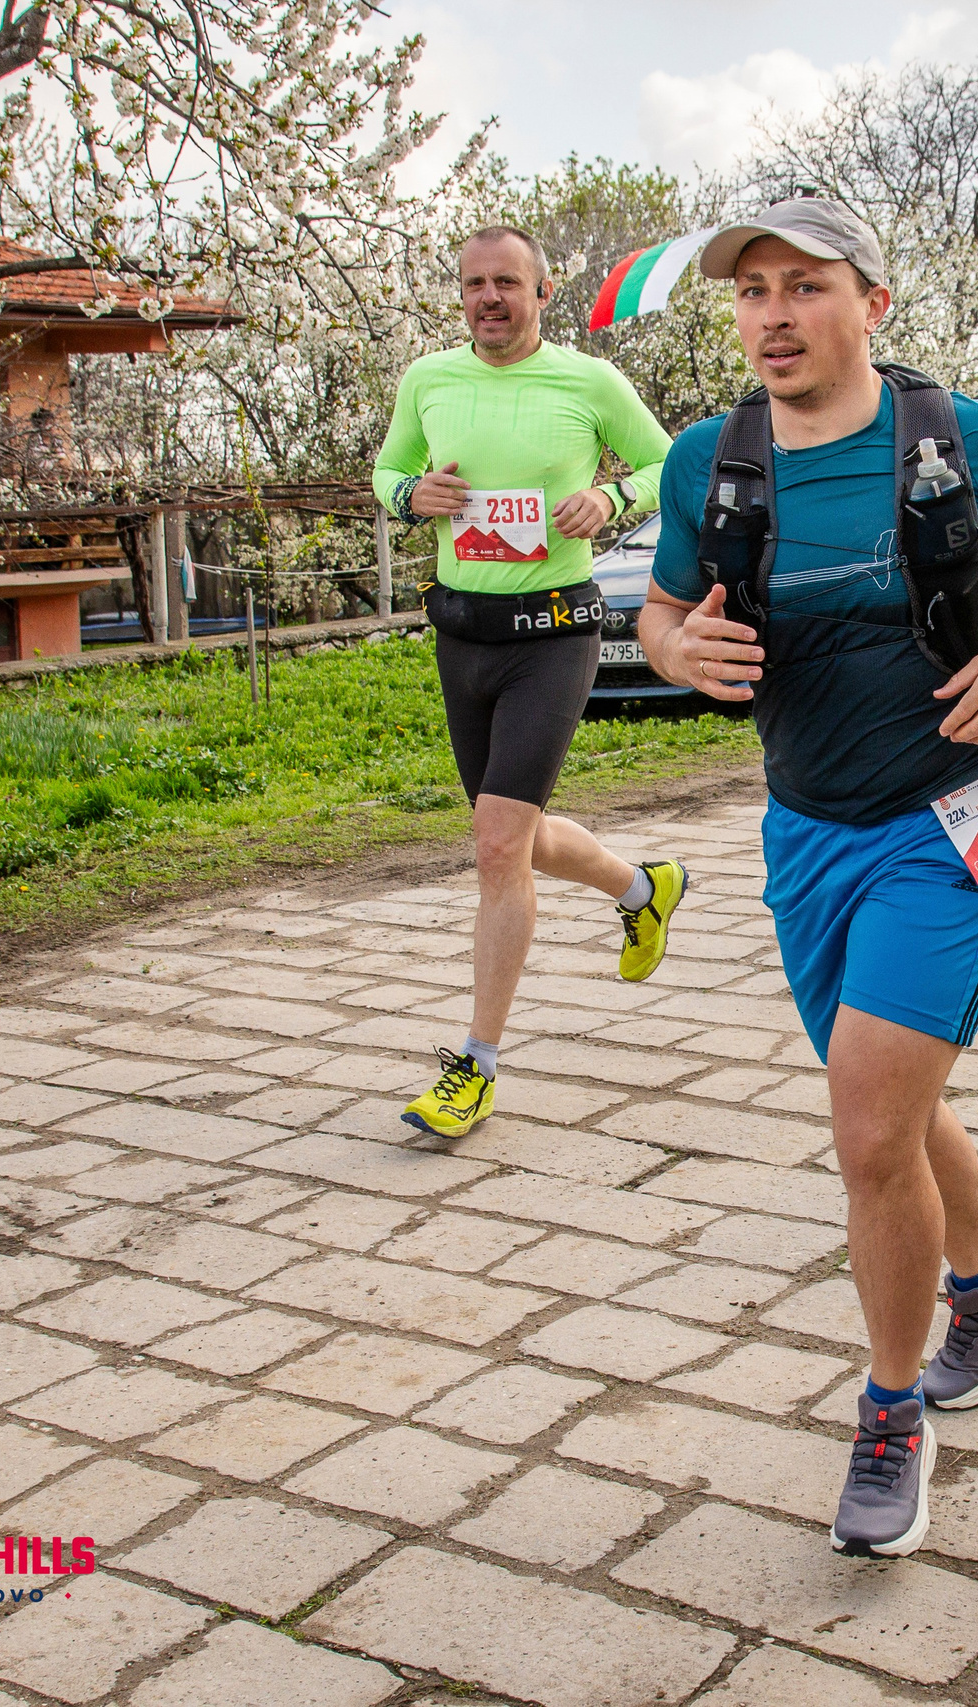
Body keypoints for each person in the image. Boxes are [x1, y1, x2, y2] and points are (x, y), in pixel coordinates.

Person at [638, 196, 978, 1559]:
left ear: (873, 303)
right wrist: (676, 650)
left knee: (866, 1128)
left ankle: (890, 1411)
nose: (773, 314)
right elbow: (663, 608)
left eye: (805, 286)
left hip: (965, 818)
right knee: (894, 1113)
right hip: (807, 828)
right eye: (752, 291)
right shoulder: (707, 462)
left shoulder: (972, 441)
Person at [374, 226, 687, 1140]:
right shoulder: (429, 379)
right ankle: (643, 888)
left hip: (553, 632)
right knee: (515, 833)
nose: (489, 298)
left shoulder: (588, 382)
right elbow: (387, 471)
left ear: (542, 293)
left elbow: (672, 465)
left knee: (496, 842)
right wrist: (409, 497)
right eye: (475, 283)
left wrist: (612, 498)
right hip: (462, 632)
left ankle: (474, 1067)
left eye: (507, 282)